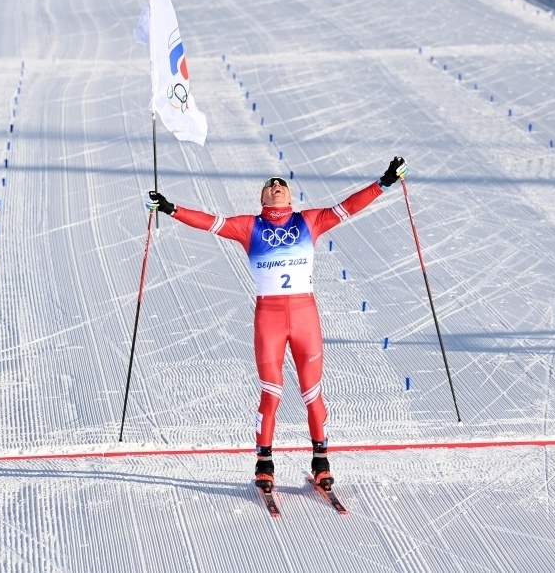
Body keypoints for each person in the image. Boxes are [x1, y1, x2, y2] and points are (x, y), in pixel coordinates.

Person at [145, 156, 408, 491]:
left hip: (304, 317)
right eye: (270, 185)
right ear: (262, 199)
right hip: (269, 318)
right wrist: (170, 208)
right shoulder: (249, 227)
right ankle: (264, 463)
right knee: (271, 393)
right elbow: (210, 222)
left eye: (281, 184)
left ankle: (321, 461)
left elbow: (349, 207)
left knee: (312, 393)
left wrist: (384, 182)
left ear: (290, 196)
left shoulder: (309, 221)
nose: (276, 186)